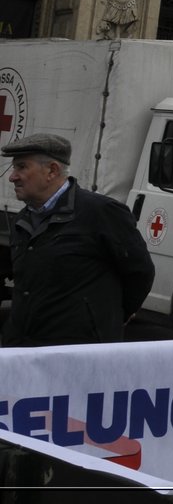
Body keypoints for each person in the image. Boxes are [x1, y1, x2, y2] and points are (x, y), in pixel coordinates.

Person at [3, 134, 155, 347]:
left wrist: (108, 319)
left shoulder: (101, 213)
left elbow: (140, 272)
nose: (12, 177)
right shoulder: (23, 220)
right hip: (24, 351)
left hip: (78, 352)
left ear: (52, 171)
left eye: (21, 167)